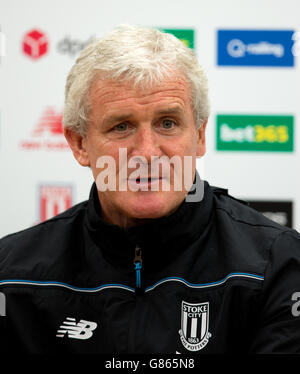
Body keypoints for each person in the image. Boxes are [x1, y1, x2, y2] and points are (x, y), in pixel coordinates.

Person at [0, 24, 300, 354]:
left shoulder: (279, 265)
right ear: (79, 142)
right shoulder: (11, 276)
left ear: (199, 136)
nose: (146, 153)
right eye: (121, 126)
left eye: (167, 123)